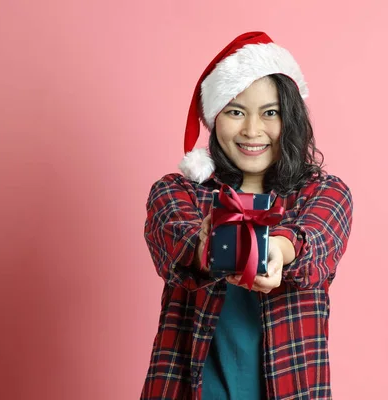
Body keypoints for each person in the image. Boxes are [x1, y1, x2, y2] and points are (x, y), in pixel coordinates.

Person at [141, 31, 353, 400]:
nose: (252, 131)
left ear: (291, 118)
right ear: (214, 117)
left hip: (290, 385)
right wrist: (204, 244)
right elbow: (174, 236)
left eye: (270, 113)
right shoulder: (178, 191)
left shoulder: (323, 191)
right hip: (188, 386)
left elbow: (317, 237)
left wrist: (280, 251)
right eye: (235, 111)